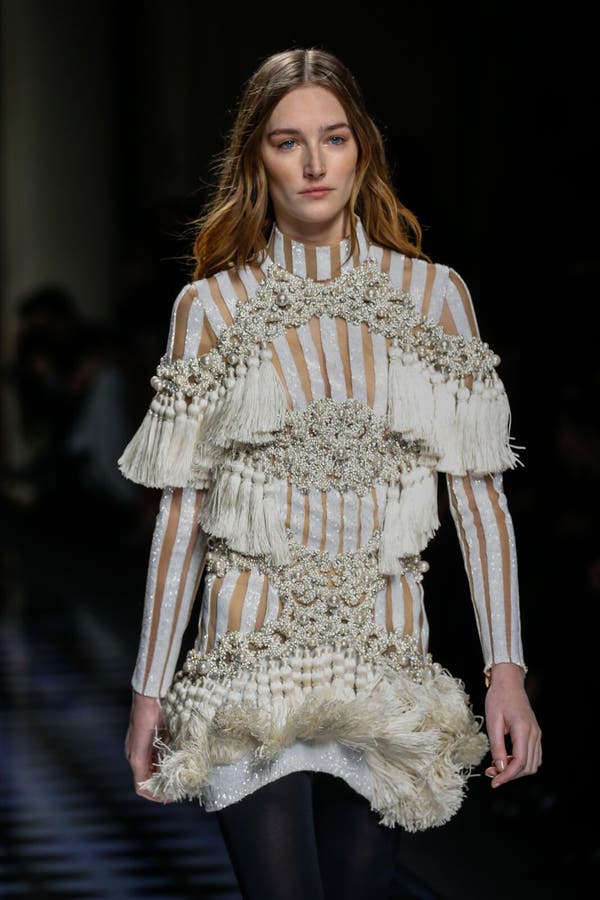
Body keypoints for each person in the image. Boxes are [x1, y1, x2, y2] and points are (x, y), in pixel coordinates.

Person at [120, 47, 542, 900]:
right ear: (255, 161)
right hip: (247, 655)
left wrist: (509, 670)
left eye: (335, 138)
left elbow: (479, 498)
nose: (314, 164)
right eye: (287, 142)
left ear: (363, 152)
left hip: (384, 656)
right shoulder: (209, 308)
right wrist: (148, 688)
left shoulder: (434, 298)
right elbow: (180, 516)